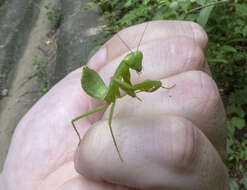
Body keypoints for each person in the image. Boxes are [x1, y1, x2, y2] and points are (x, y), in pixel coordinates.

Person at [0, 21, 229, 190]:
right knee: (82, 121)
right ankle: (115, 150)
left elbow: (131, 89)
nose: (138, 65)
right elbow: (127, 91)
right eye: (134, 62)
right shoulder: (114, 84)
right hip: (97, 87)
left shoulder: (124, 79)